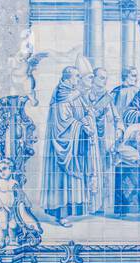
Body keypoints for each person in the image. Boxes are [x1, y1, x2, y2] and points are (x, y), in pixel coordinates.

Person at [41, 68, 104, 222]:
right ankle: (61, 215)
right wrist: (82, 126)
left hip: (75, 145)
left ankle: (72, 211)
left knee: (74, 181)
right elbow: (63, 122)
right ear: (68, 78)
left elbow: (84, 112)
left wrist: (90, 118)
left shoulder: (73, 92)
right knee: (63, 181)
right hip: (64, 145)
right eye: (77, 76)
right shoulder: (62, 94)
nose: (78, 78)